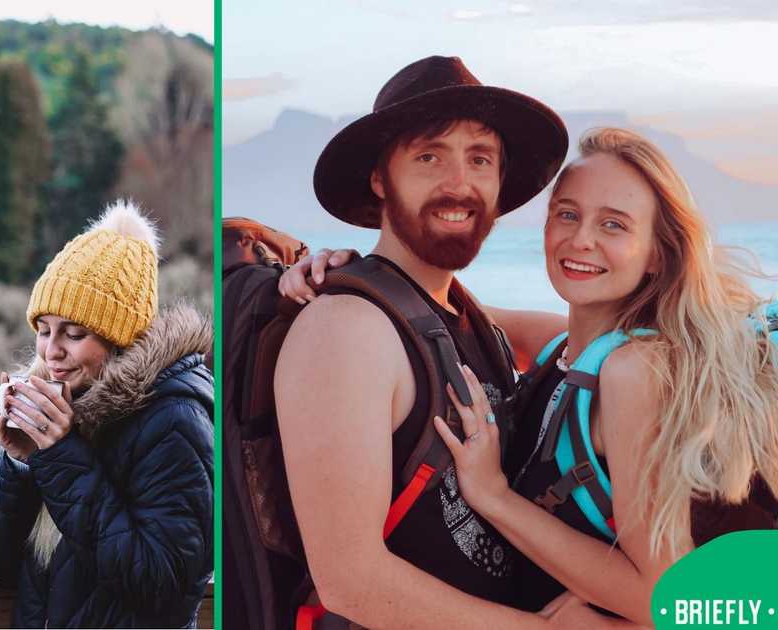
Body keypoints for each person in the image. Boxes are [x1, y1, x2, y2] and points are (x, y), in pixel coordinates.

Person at [283, 128, 778, 625]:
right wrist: (335, 269)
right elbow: (428, 310)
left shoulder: (633, 372)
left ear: (657, 253)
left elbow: (668, 596)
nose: (581, 239)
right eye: (567, 214)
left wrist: (495, 498)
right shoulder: (564, 348)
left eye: (614, 225)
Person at [271, 55, 634, 628]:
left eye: (479, 159)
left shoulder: (470, 321)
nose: (459, 183)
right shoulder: (344, 330)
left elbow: (613, 334)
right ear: (378, 178)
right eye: (428, 156)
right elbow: (350, 581)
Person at [0, 200, 214, 628]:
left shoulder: (174, 418)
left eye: (75, 333)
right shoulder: (51, 407)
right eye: (44, 330)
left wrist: (61, 455)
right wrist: (19, 463)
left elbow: (165, 587)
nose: (51, 352)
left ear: (119, 337)